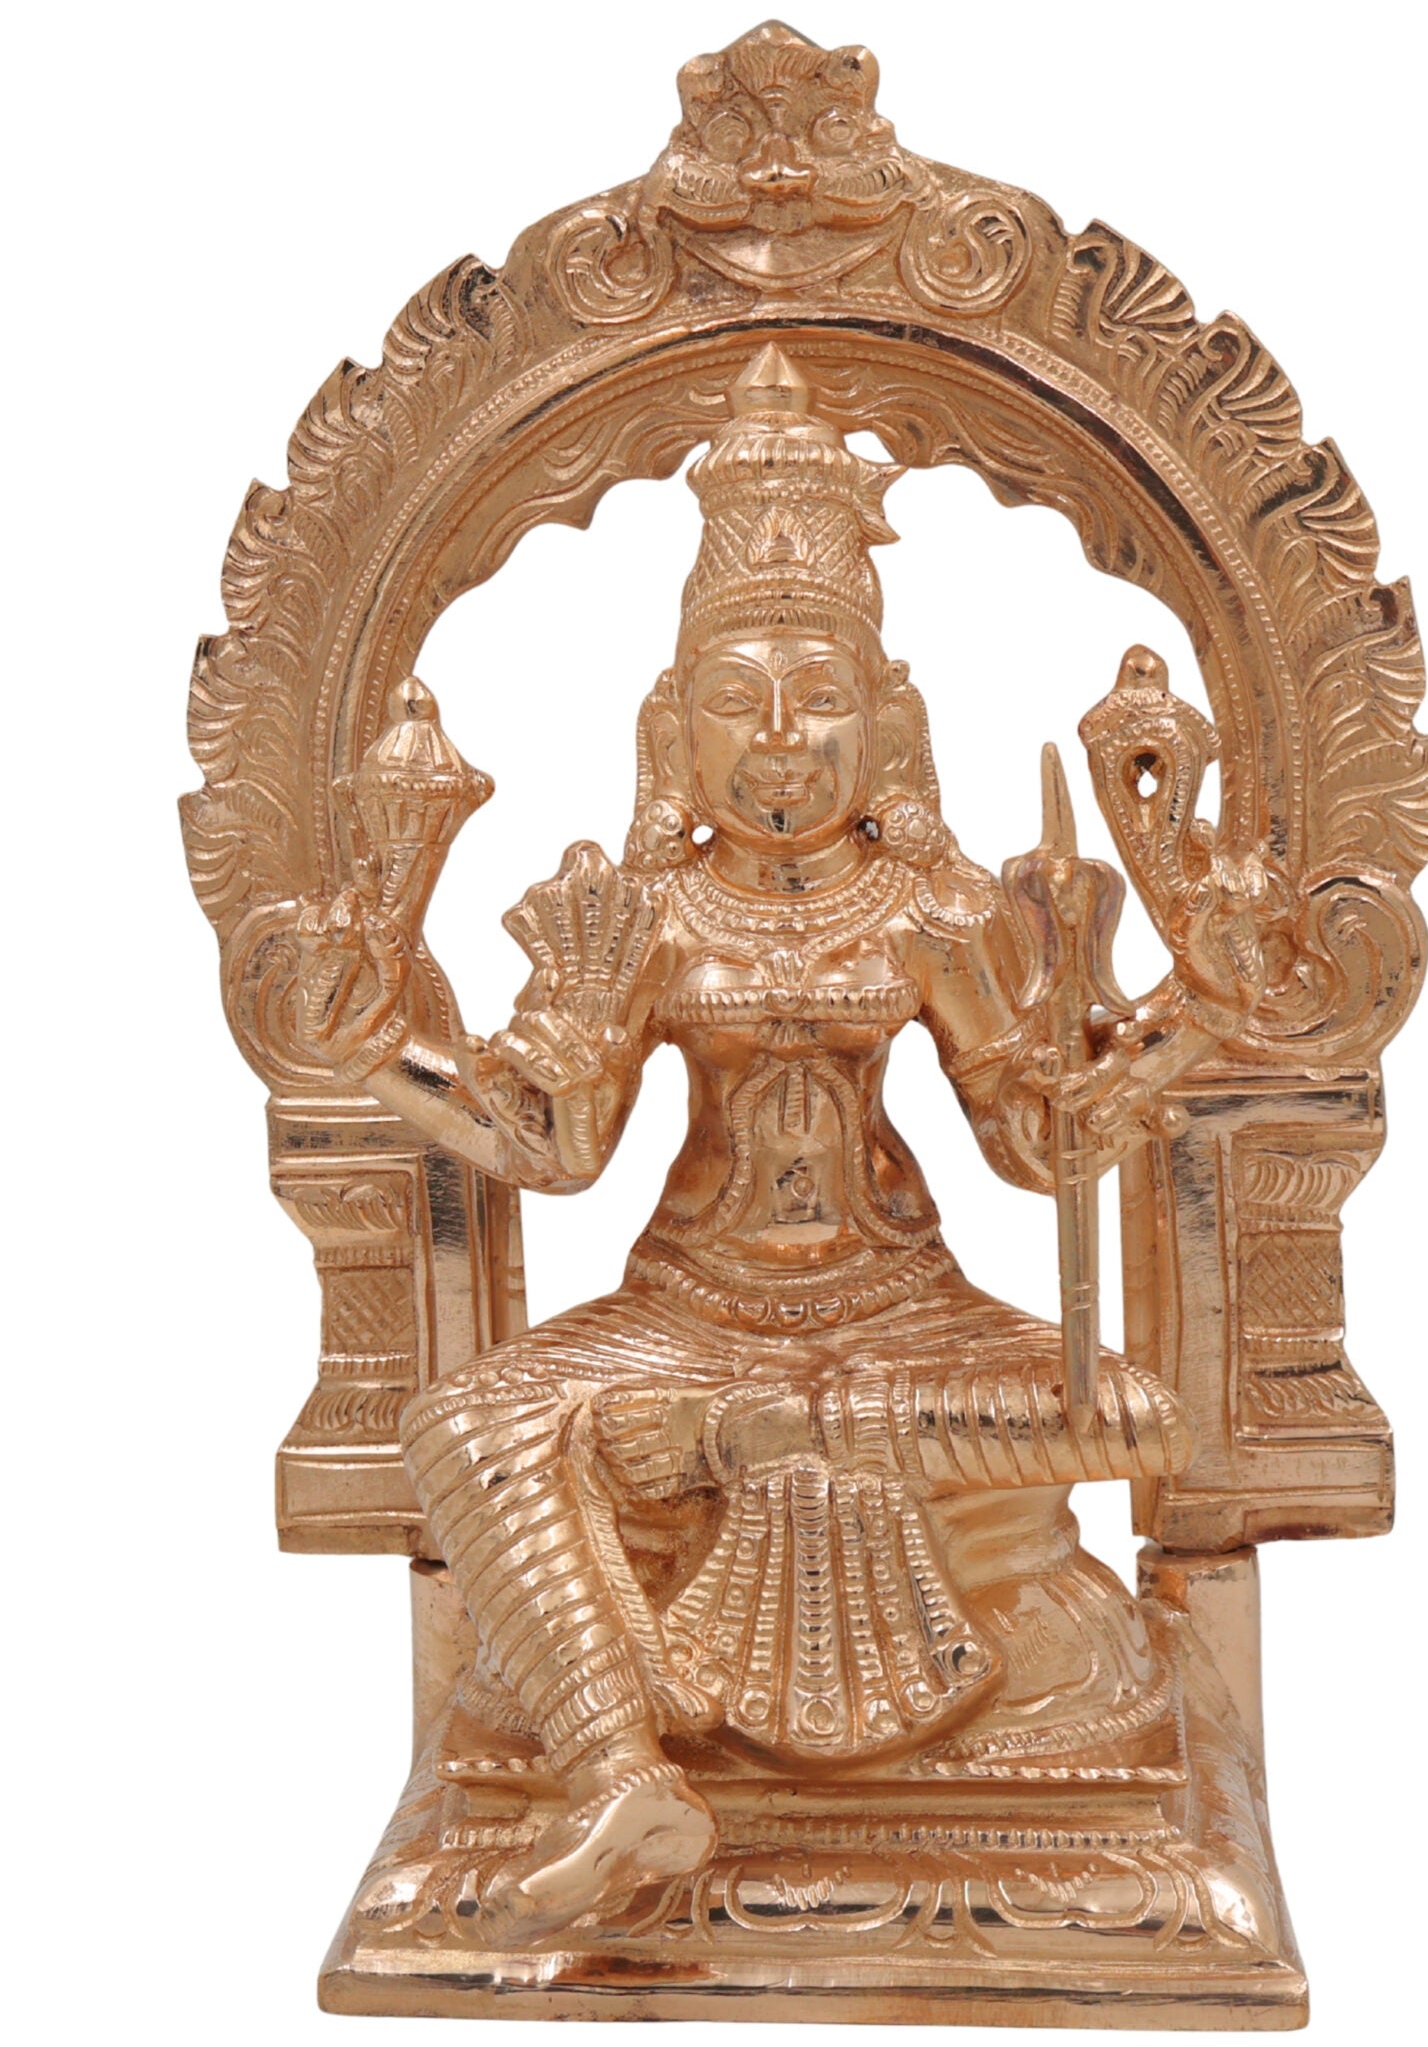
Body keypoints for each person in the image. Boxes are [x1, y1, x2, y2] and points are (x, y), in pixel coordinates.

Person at [295, 343, 1263, 1944]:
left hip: (903, 1314)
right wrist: (377, 1044)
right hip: (691, 1311)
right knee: (468, 1423)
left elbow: (1041, 1153)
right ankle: (624, 1777)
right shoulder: (646, 915)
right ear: (672, 730)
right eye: (737, 703)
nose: (782, 741)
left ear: (888, 725)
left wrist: (1165, 1008)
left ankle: (752, 1453)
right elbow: (554, 1146)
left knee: (1134, 1410)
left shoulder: (941, 907)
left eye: (822, 701)